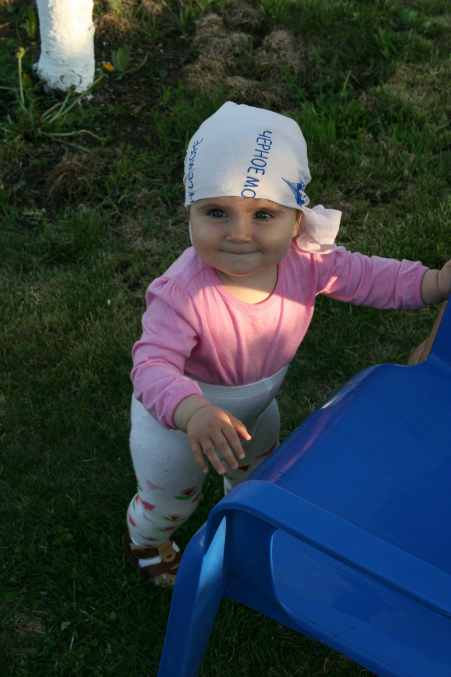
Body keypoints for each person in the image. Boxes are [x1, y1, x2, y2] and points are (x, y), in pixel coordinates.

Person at [122, 102, 451, 587]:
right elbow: (151, 365)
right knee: (170, 498)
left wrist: (436, 283)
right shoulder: (182, 293)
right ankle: (147, 541)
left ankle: (240, 518)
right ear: (189, 213)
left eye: (263, 214)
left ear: (297, 221)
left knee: (259, 472)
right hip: (177, 425)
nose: (238, 233)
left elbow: (370, 277)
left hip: (255, 408)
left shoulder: (305, 261)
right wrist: (193, 412)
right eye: (215, 212)